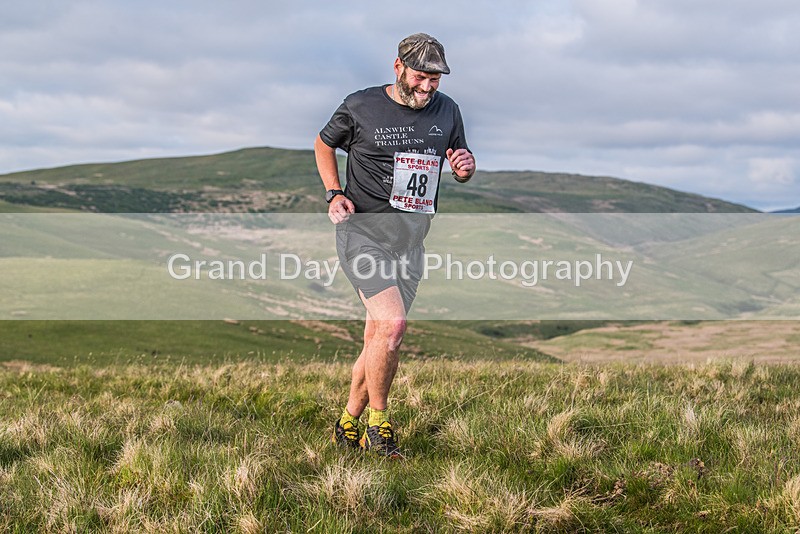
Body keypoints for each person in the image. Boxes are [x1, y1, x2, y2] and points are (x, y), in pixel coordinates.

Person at [314, 33, 475, 458]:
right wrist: (334, 192)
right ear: (399, 67)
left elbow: (459, 160)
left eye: (436, 79)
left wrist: (464, 167)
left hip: (411, 243)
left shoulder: (448, 110)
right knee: (393, 326)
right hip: (362, 234)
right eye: (421, 76)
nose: (428, 87)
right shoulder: (361, 106)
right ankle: (378, 427)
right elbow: (324, 143)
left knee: (379, 339)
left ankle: (347, 422)